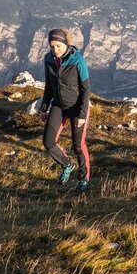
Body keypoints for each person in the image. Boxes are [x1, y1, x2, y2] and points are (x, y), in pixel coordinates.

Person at [40, 28, 91, 192]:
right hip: (58, 106)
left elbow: (85, 90)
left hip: (77, 108)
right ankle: (67, 164)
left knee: (78, 145)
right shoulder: (48, 59)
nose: (55, 50)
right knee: (48, 142)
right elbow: (49, 85)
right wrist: (44, 107)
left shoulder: (78, 60)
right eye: (52, 46)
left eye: (58, 46)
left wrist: (82, 114)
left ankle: (84, 179)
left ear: (66, 44)